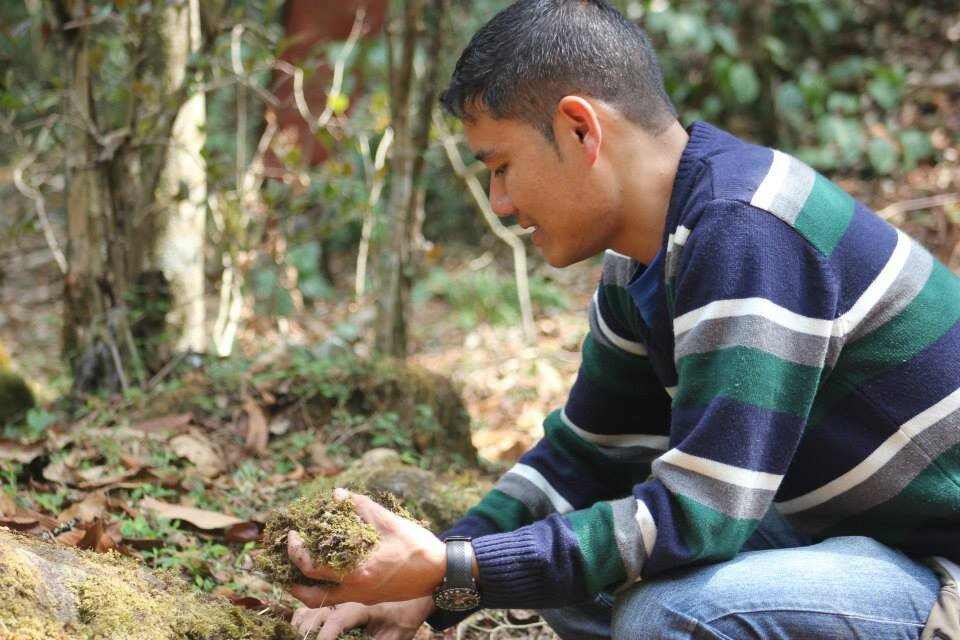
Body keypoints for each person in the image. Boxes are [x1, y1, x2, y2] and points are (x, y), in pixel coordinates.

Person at [285, 1, 960, 638]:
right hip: (861, 538)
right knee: (567, 570)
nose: (501, 202)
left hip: (943, 567)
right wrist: (433, 576)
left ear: (581, 129)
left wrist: (456, 569)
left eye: (502, 166)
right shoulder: (646, 259)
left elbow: (700, 513)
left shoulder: (747, 229)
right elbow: (583, 456)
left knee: (667, 616)